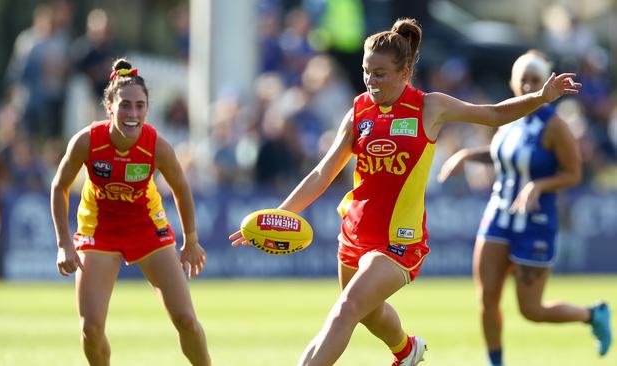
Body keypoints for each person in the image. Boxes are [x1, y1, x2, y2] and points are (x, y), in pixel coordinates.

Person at [230, 18, 581, 366]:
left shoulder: (430, 106)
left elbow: (491, 114)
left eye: (379, 73)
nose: (370, 80)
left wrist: (540, 97)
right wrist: (280, 214)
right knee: (368, 313)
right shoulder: (358, 111)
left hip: (399, 240)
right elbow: (324, 171)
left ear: (405, 71)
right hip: (354, 233)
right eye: (367, 71)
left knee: (346, 310)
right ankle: (406, 351)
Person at [437, 50, 612, 366]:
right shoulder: (508, 119)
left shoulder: (554, 126)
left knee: (532, 310)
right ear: (513, 83)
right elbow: (502, 155)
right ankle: (496, 362)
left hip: (535, 222)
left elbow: (573, 172)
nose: (530, 86)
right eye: (524, 80)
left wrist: (538, 185)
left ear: (546, 81)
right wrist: (467, 155)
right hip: (498, 216)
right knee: (487, 297)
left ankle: (593, 314)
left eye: (536, 79)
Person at [51, 58, 211, 366]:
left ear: (147, 109)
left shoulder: (157, 146)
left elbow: (181, 188)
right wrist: (63, 243)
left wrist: (190, 240)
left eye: (140, 106)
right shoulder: (86, 142)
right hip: (98, 231)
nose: (133, 114)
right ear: (109, 107)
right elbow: (59, 187)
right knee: (91, 329)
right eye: (125, 105)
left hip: (146, 228)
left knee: (186, 319)